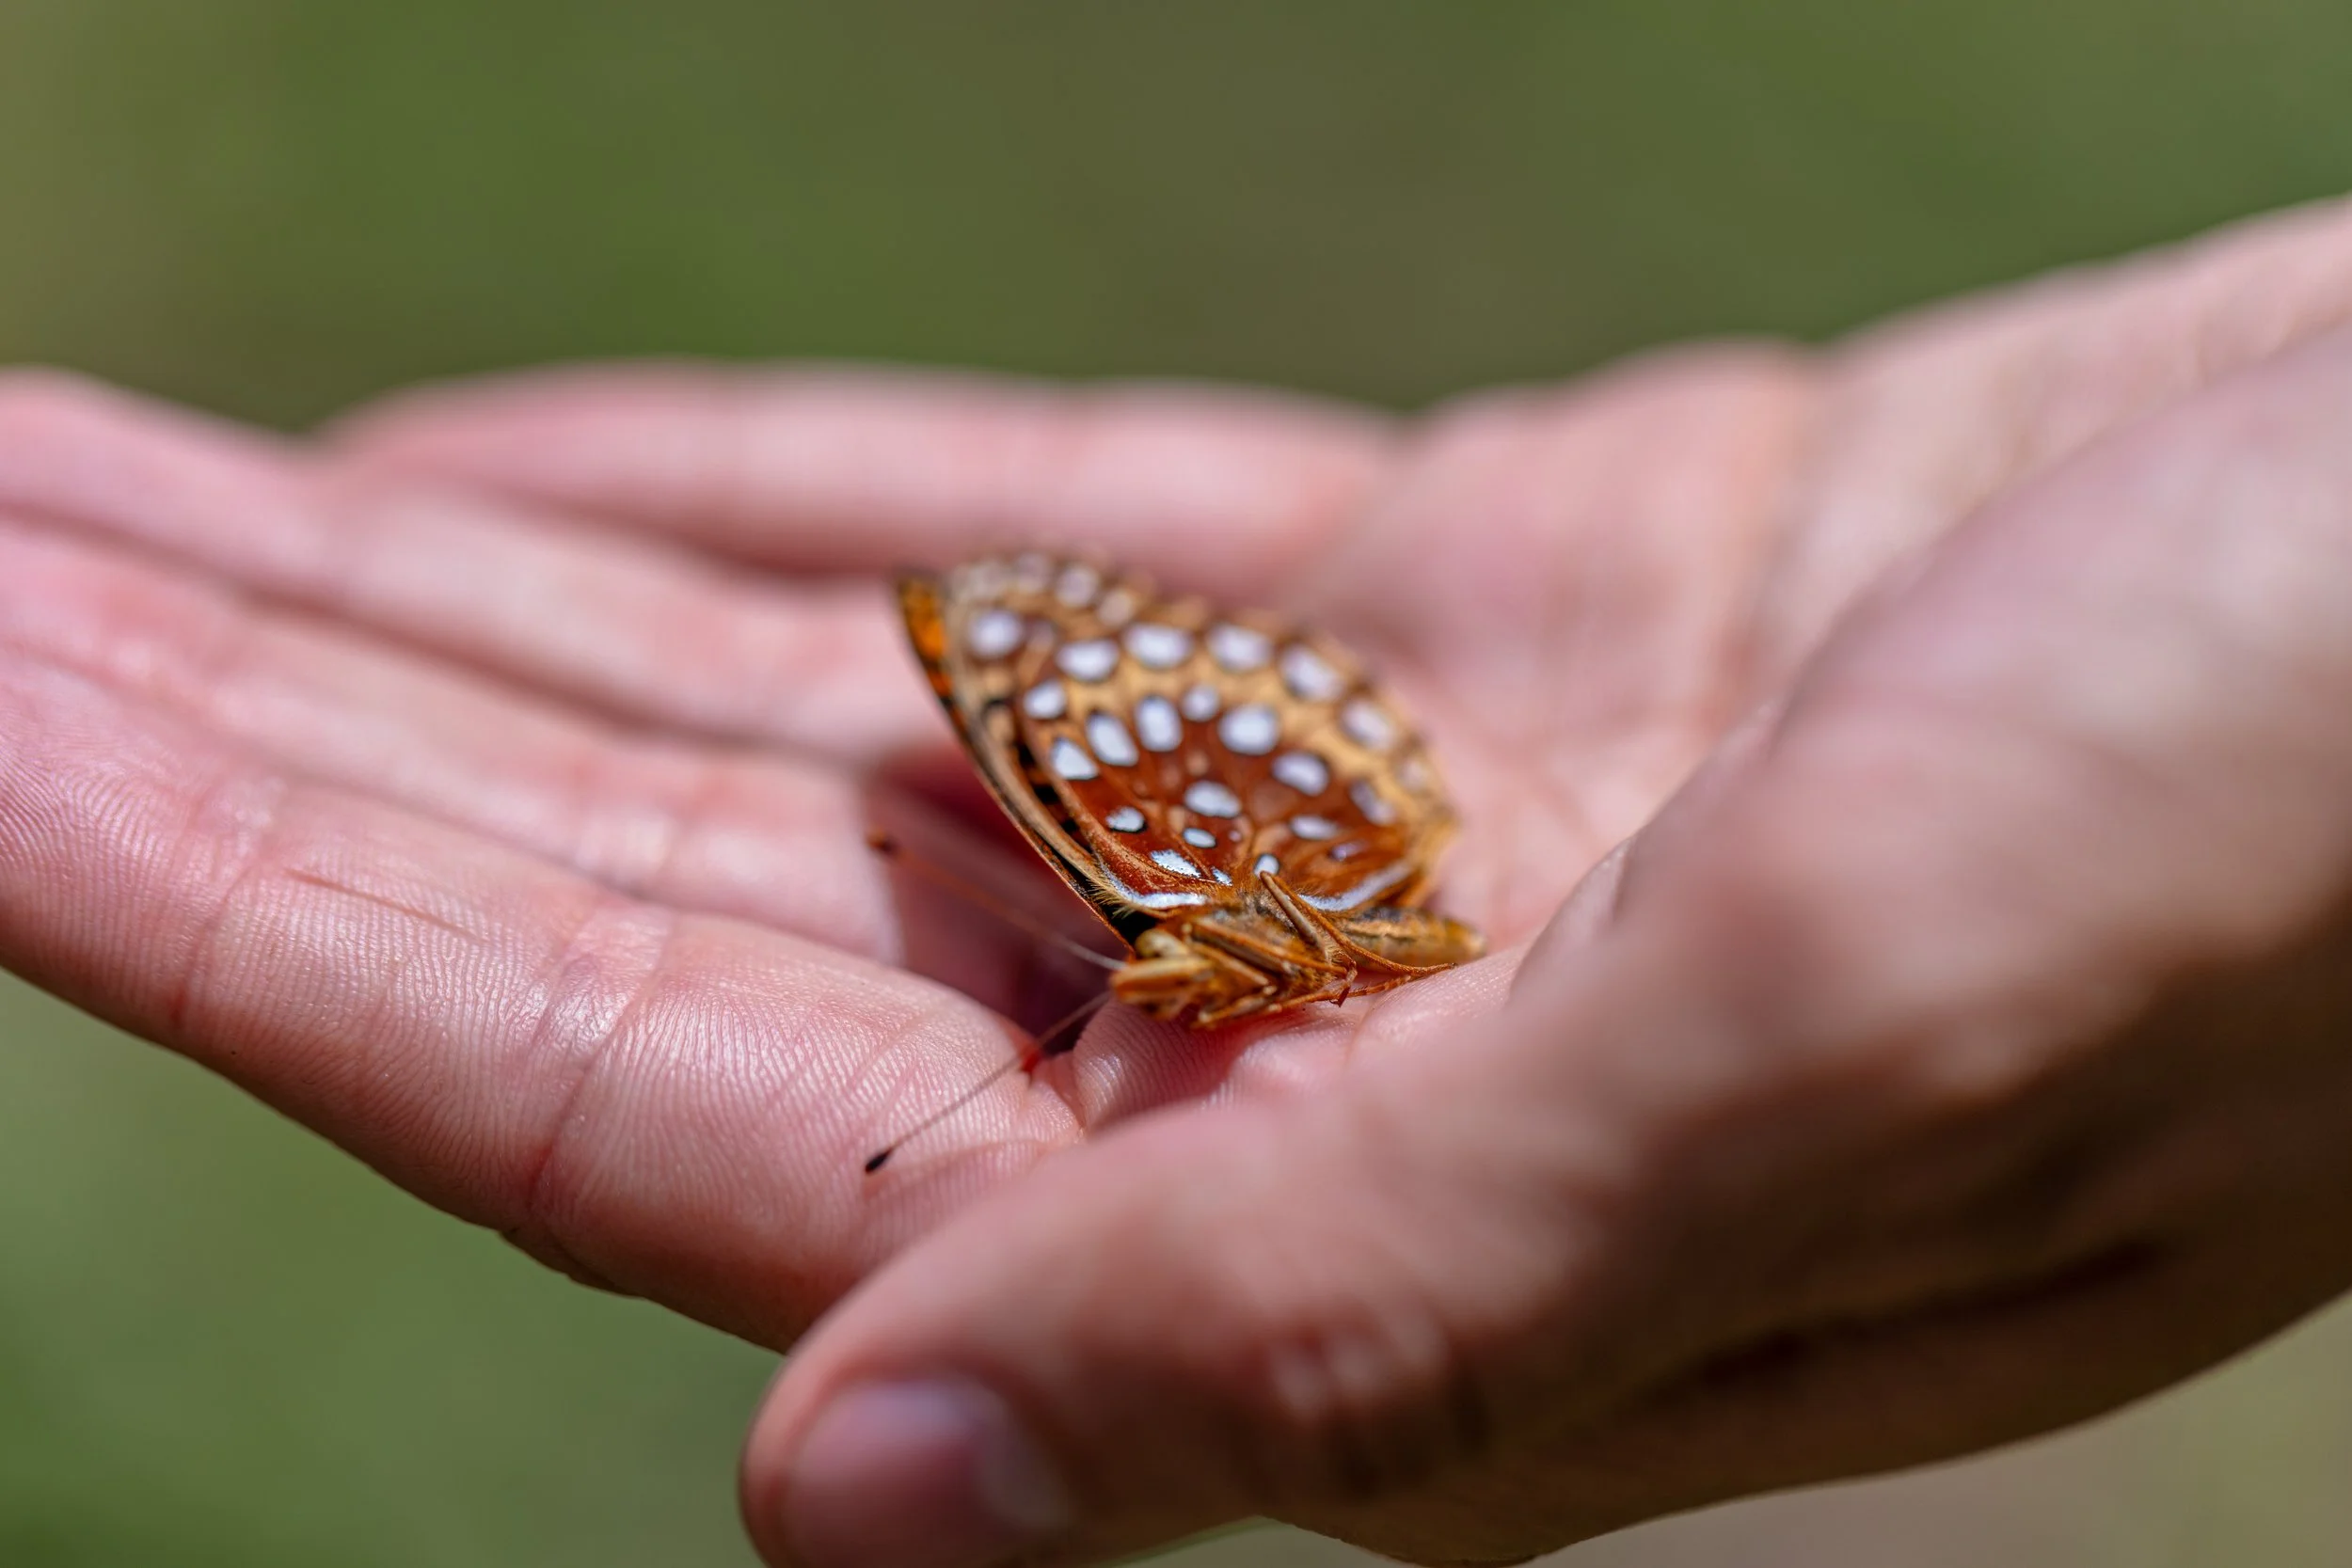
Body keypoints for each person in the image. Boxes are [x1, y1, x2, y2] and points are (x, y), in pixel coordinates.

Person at [3, 195, 2351, 1568]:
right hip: (1331, 824)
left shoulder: (1194, 885)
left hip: (1316, 814)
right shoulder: (1174, 921)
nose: (1122, 983)